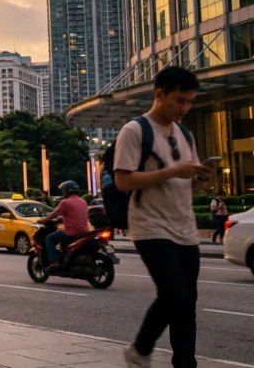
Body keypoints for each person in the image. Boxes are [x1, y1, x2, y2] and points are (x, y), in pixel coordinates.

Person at [115, 66, 214, 368]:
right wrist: (171, 171)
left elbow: (187, 182)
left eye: (189, 102)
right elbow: (123, 181)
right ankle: (140, 350)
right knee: (173, 294)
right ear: (160, 95)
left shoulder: (184, 133)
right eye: (179, 100)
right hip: (150, 226)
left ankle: (186, 363)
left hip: (185, 227)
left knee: (188, 304)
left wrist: (200, 178)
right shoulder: (135, 131)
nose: (185, 108)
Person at [37, 181, 89, 271]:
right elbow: (73, 215)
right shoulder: (83, 201)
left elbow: (55, 213)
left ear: (67, 191)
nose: (62, 193)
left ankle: (54, 262)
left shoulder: (65, 202)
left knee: (49, 238)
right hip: (84, 232)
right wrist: (60, 220)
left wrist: (44, 220)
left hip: (71, 232)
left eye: (63, 191)